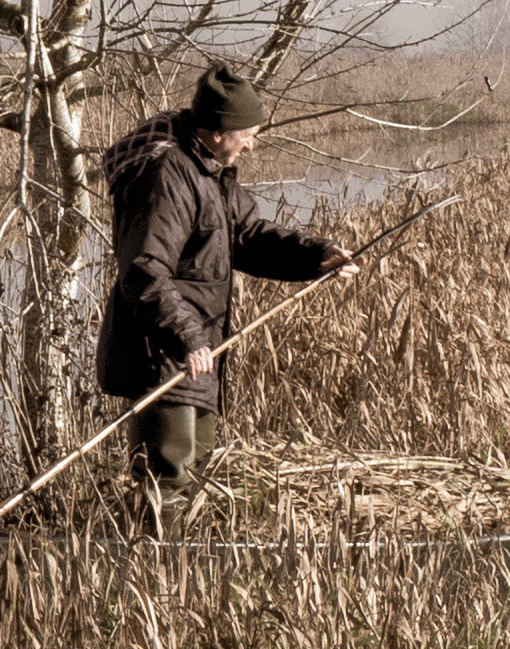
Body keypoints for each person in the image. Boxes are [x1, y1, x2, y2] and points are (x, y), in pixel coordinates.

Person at [96, 60, 359, 502]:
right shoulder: (166, 176)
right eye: (249, 134)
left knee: (194, 476)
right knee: (167, 482)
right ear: (220, 131)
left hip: (195, 353)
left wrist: (317, 256)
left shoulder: (207, 171)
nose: (253, 145)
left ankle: (185, 565)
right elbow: (144, 269)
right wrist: (187, 337)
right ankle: (154, 567)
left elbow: (247, 236)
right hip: (162, 355)